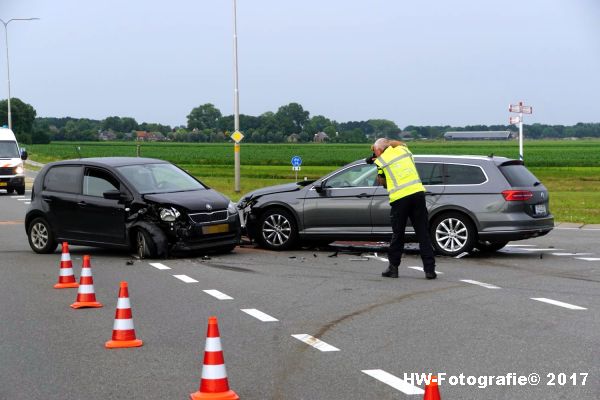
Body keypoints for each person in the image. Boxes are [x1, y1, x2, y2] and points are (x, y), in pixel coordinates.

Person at [369, 138, 436, 279]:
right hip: (418, 195)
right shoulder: (403, 150)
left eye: (375, 151)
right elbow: (398, 143)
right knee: (423, 233)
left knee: (398, 234)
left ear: (378, 151)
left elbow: (383, 183)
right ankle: (430, 270)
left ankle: (393, 269)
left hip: (400, 199)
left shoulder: (381, 161)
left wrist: (376, 164)